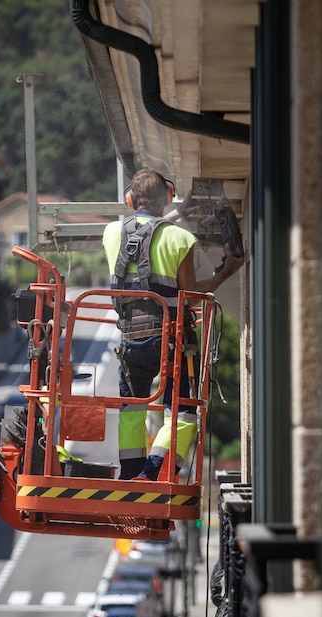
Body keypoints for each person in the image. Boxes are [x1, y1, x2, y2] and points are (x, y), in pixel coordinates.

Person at [102, 168, 244, 480]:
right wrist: (224, 273)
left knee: (132, 411)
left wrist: (175, 213)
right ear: (166, 197)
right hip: (169, 338)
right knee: (183, 415)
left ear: (129, 200)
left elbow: (142, 241)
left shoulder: (111, 233)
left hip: (130, 338)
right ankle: (152, 475)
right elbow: (189, 297)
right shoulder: (181, 239)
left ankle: (130, 476)